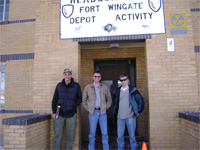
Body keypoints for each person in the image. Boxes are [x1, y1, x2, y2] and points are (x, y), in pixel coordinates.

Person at [52, 68, 82, 150]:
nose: (67, 76)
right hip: (60, 114)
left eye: (69, 74)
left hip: (71, 115)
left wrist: (73, 105)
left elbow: (80, 98)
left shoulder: (76, 86)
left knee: (70, 136)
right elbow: (54, 100)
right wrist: (54, 112)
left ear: (71, 75)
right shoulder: (59, 85)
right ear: (64, 75)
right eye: (66, 74)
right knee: (57, 135)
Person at [112, 74, 144, 150]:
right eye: (121, 80)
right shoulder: (116, 91)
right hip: (120, 117)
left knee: (132, 136)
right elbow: (115, 102)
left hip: (131, 117)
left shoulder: (133, 90)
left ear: (128, 80)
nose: (123, 81)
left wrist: (138, 111)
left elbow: (141, 101)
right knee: (120, 137)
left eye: (124, 79)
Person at [82, 71, 112, 150]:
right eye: (95, 76)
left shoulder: (104, 87)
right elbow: (83, 100)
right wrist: (89, 109)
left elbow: (109, 99)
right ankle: (91, 148)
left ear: (100, 78)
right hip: (93, 113)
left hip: (102, 112)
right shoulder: (87, 87)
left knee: (105, 133)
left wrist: (106, 107)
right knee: (92, 133)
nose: (97, 78)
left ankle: (106, 148)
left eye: (98, 76)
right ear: (92, 77)